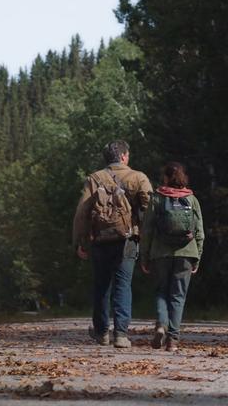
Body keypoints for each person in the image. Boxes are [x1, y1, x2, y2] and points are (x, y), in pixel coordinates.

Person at [72, 140, 152, 348]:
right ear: (124, 156)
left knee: (101, 286)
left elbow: (82, 213)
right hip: (127, 239)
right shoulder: (138, 177)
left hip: (100, 240)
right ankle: (121, 335)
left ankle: (101, 333)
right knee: (123, 285)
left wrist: (80, 241)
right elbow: (150, 211)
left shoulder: (95, 178)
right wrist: (149, 240)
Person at [140, 162, 204, 352]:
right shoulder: (191, 199)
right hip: (186, 253)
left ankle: (161, 324)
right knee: (178, 296)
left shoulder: (157, 198)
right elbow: (200, 232)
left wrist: (144, 257)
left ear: (166, 177)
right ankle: (172, 340)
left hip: (161, 253)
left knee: (161, 291)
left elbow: (147, 230)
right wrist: (197, 257)